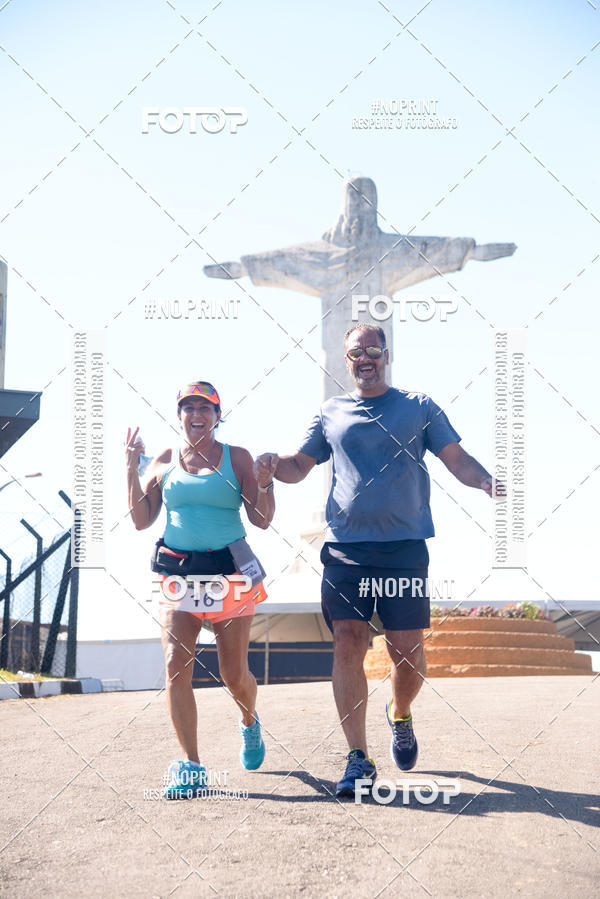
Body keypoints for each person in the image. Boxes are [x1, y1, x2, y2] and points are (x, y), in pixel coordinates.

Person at [256, 324, 498, 798]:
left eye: (371, 349)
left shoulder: (419, 406)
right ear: (346, 360)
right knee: (348, 641)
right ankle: (357, 759)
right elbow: (299, 466)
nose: (363, 357)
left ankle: (400, 713)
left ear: (385, 354)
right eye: (354, 352)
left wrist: (487, 480)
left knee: (407, 654)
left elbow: (456, 458)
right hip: (347, 550)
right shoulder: (331, 413)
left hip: (404, 550)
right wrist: (270, 466)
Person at [126, 381, 276, 799]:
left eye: (205, 408)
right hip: (178, 575)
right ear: (179, 415)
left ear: (217, 414)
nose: (196, 415)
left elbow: (261, 520)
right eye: (188, 407)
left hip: (229, 574)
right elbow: (142, 520)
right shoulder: (165, 460)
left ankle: (249, 721)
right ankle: (191, 765)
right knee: (176, 664)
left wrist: (265, 484)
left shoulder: (238, 458)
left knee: (233, 674)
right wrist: (128, 469)